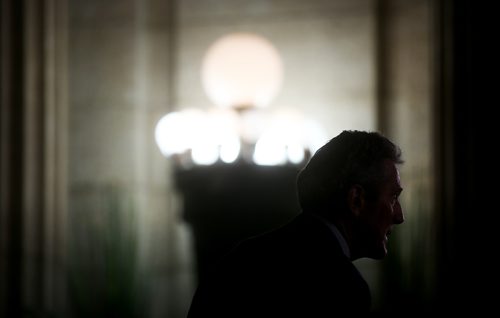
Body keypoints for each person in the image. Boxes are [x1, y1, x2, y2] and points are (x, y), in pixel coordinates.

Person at [186, 130, 404, 317]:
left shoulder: (239, 259)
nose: (399, 216)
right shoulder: (340, 286)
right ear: (356, 199)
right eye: (393, 198)